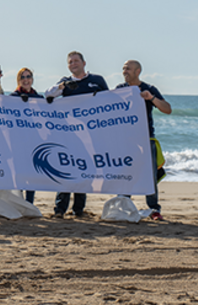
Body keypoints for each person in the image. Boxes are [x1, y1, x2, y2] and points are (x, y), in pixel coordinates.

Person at [44, 51, 109, 218]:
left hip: (91, 134)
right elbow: (48, 95)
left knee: (85, 171)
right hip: (70, 136)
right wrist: (62, 87)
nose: (73, 64)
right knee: (66, 170)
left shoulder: (97, 80)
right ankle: (60, 210)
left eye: (76, 61)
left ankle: (79, 209)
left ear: (84, 63)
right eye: (70, 62)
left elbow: (110, 101)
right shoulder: (65, 82)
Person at [116, 59, 172, 221]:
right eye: (123, 69)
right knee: (125, 173)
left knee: (150, 176)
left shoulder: (149, 89)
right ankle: (123, 206)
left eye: (128, 69)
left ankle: (154, 209)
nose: (125, 71)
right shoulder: (120, 90)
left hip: (146, 140)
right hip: (126, 141)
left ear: (138, 71)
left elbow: (167, 109)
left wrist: (151, 98)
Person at [9, 67, 43, 204]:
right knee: (19, 173)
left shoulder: (39, 98)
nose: (26, 80)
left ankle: (30, 203)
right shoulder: (13, 97)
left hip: (34, 141)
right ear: (18, 80)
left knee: (32, 174)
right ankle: (19, 201)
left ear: (32, 79)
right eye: (22, 77)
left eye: (28, 76)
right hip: (17, 141)